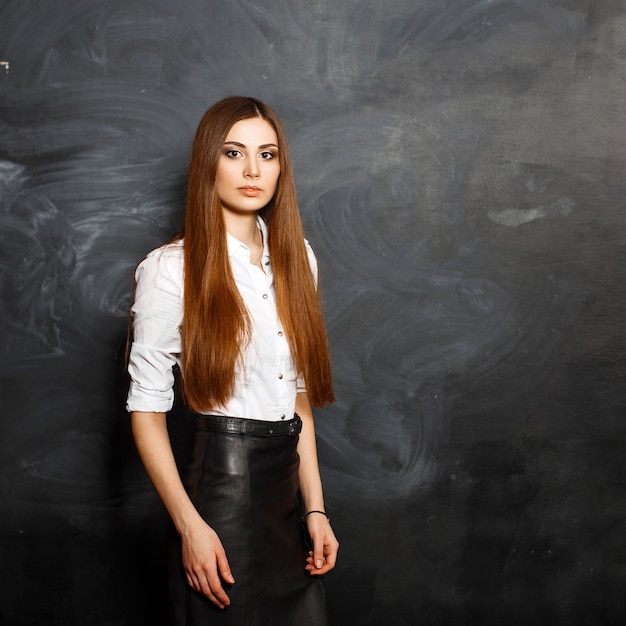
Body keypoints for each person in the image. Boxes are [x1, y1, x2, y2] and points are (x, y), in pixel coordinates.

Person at [126, 96, 338, 625]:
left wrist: (315, 509)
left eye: (267, 155)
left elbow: (298, 402)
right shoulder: (169, 270)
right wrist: (190, 526)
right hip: (220, 494)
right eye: (234, 152)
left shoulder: (299, 259)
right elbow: (147, 412)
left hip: (286, 498)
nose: (251, 170)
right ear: (208, 163)